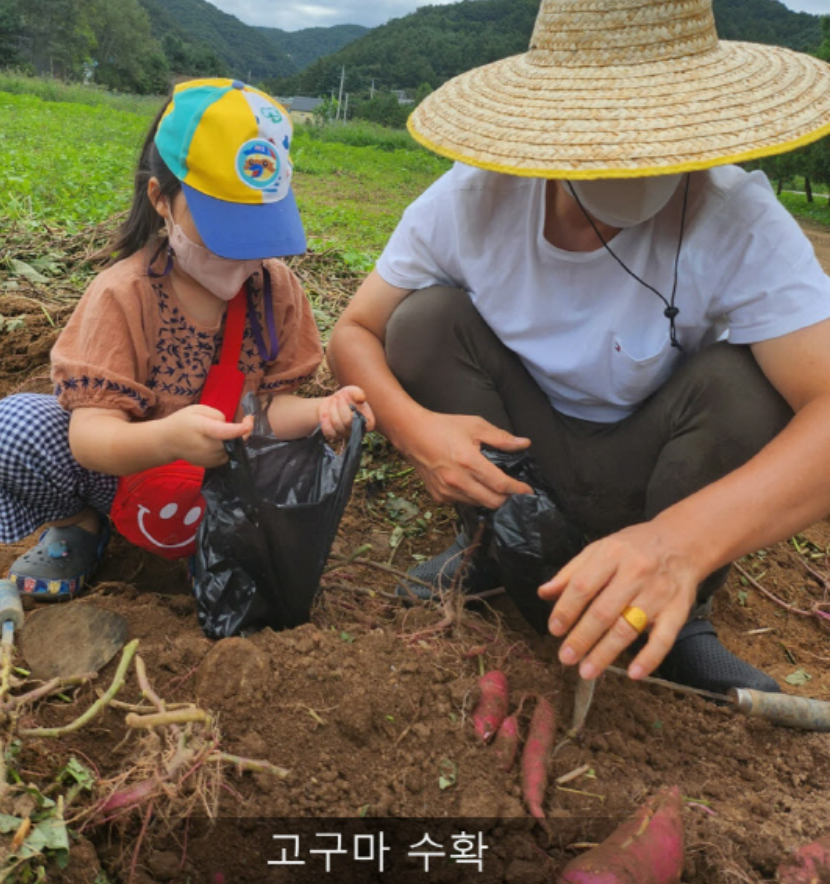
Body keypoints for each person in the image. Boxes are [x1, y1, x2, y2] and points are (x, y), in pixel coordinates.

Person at [327, 0, 830, 694]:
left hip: (656, 474)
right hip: (520, 455)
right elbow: (354, 331)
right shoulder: (474, 201)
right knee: (423, 323)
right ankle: (492, 548)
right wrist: (419, 433)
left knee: (745, 389)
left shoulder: (735, 219)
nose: (636, 155)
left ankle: (679, 616)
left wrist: (681, 542)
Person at [0, 78, 374, 600]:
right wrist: (166, 441)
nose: (242, 255)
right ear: (161, 199)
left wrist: (325, 411)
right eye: (224, 228)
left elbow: (274, 412)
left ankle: (215, 541)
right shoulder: (124, 294)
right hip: (121, 472)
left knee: (299, 458)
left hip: (225, 480)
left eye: (257, 232)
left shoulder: (276, 292)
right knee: (12, 431)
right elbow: (91, 438)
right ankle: (80, 527)